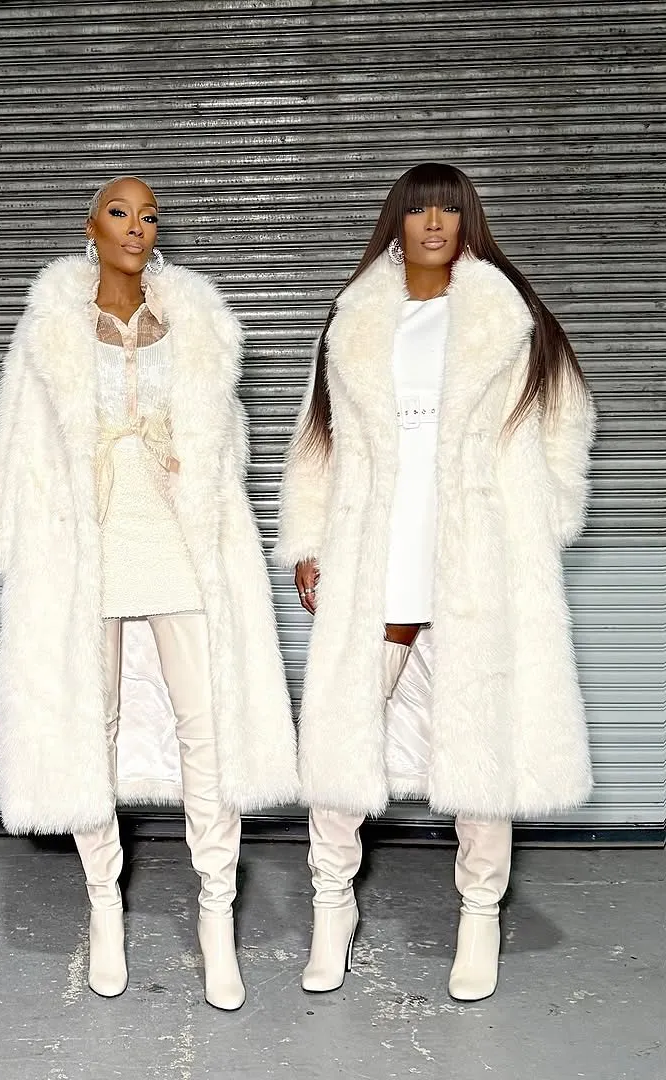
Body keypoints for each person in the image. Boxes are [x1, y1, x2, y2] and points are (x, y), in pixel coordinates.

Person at [276, 162, 594, 1002]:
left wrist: (537, 517)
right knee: (339, 741)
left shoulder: (507, 318)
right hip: (375, 553)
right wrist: (307, 539)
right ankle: (331, 906)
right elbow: (316, 438)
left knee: (479, 749)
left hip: (474, 558)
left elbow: (567, 420)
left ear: (466, 222)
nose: (431, 223)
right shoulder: (354, 318)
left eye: (447, 210)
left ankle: (480, 914)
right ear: (397, 221)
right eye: (417, 209)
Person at [0, 176, 298, 1010]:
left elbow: (225, 446)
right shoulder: (48, 328)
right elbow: (15, 448)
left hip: (178, 538)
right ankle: (104, 906)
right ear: (90, 227)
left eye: (148, 215)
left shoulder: (193, 323)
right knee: (95, 727)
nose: (136, 226)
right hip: (83, 545)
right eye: (119, 212)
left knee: (208, 727)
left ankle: (217, 914)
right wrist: (20, 550)